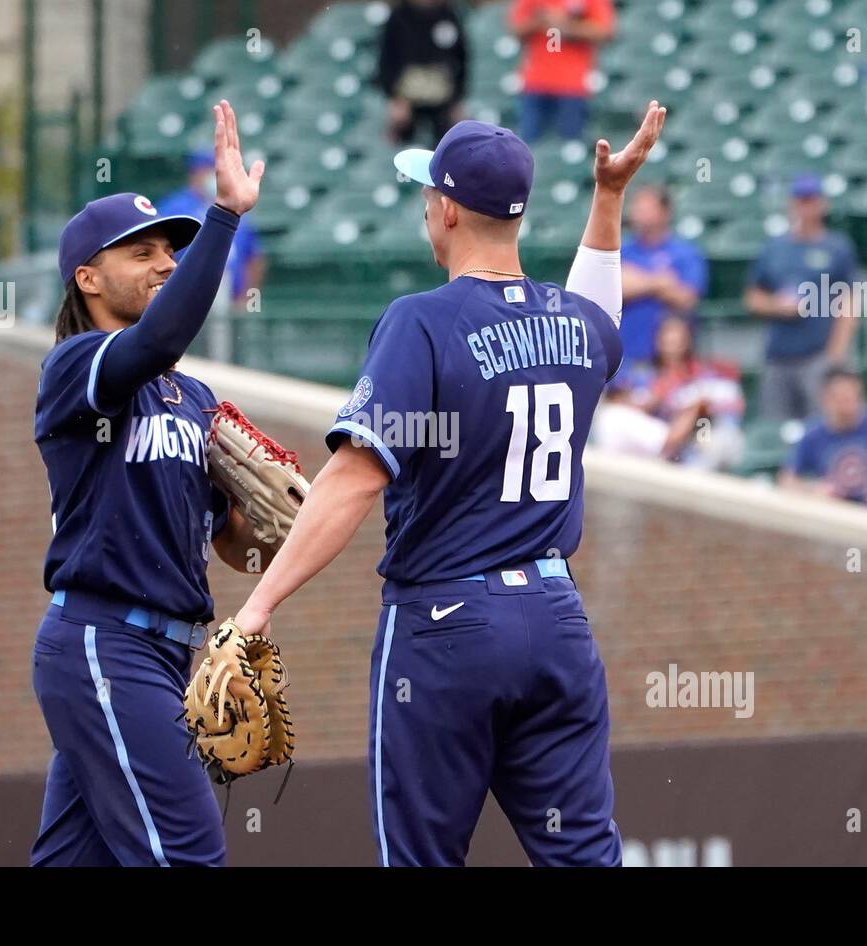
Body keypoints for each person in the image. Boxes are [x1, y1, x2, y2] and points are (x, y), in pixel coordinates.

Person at [225, 104, 668, 866]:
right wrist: (610, 196)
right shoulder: (576, 327)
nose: (426, 205)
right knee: (585, 856)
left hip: (447, 622)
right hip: (556, 620)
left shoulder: (421, 322)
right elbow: (603, 316)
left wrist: (257, 607)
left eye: (428, 193)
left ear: (450, 209)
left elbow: (355, 478)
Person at [30, 102, 274, 867]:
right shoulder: (76, 369)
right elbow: (163, 334)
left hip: (169, 654)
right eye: (142, 251)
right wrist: (226, 217)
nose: (166, 261)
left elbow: (231, 547)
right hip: (105, 639)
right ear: (88, 276)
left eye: (172, 248)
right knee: (190, 858)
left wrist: (266, 526)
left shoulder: (194, 398)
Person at [745, 174, 859, 422]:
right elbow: (753, 297)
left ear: (822, 204)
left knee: (820, 426)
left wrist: (835, 355)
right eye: (800, 200)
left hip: (817, 355)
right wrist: (778, 306)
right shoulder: (775, 247)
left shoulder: (836, 247)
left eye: (811, 199)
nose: (805, 206)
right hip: (779, 356)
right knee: (775, 428)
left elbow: (848, 303)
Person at [593, 316, 745, 469]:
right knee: (609, 417)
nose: (671, 347)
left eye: (677, 341)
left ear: (688, 342)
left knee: (713, 436)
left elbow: (732, 405)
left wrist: (696, 408)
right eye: (666, 341)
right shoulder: (646, 375)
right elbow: (619, 403)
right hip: (660, 442)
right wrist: (654, 399)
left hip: (697, 438)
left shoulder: (703, 375)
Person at [158, 150, 267, 310]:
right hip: (186, 289)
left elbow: (254, 257)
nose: (214, 176)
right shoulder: (175, 205)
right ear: (194, 173)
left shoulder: (235, 205)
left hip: (230, 293)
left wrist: (246, 296)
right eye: (209, 170)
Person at [618, 185, 708, 370]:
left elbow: (686, 298)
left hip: (671, 360)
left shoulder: (685, 252)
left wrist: (637, 280)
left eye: (647, 209)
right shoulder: (621, 250)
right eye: (637, 208)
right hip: (626, 354)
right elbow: (615, 289)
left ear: (665, 211)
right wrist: (659, 282)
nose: (639, 215)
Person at [778, 368, 867, 502]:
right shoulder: (812, 434)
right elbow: (787, 480)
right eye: (839, 398)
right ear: (825, 399)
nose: (845, 404)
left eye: (850, 397)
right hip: (834, 512)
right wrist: (813, 489)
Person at [509, 0, 615, 143]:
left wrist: (566, 26)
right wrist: (540, 19)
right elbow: (515, 29)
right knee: (528, 145)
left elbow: (604, 31)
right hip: (535, 83)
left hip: (573, 85)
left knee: (570, 146)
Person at [378, 0, 468, 145]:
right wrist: (394, 97)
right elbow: (387, 60)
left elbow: (462, 58)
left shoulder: (448, 14)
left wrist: (458, 98)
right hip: (407, 99)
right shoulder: (399, 16)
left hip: (442, 101)